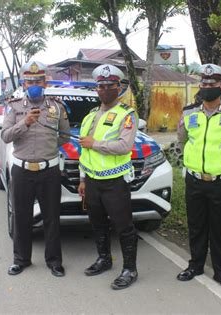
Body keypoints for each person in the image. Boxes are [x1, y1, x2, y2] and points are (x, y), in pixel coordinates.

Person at [176, 64, 221, 292]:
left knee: (220, 229)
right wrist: (186, 164)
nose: (207, 87)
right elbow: (181, 140)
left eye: (212, 84)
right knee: (196, 226)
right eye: (204, 84)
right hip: (194, 181)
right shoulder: (188, 113)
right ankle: (195, 265)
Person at [1, 60, 70, 277]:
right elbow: (5, 136)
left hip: (49, 170)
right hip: (21, 170)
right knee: (22, 216)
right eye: (30, 80)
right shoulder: (14, 107)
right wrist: (26, 123)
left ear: (45, 82)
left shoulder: (57, 107)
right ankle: (21, 260)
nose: (34, 83)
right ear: (23, 83)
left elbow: (65, 136)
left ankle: (54, 261)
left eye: (38, 80)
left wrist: (49, 148)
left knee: (51, 217)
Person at [78, 64, 139, 290]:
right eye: (100, 86)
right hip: (93, 181)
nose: (104, 89)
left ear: (119, 87)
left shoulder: (127, 115)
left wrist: (96, 144)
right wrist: (83, 179)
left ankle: (130, 269)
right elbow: (84, 150)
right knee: (98, 224)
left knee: (124, 227)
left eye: (109, 86)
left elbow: (124, 146)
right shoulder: (90, 116)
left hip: (115, 182)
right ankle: (104, 259)